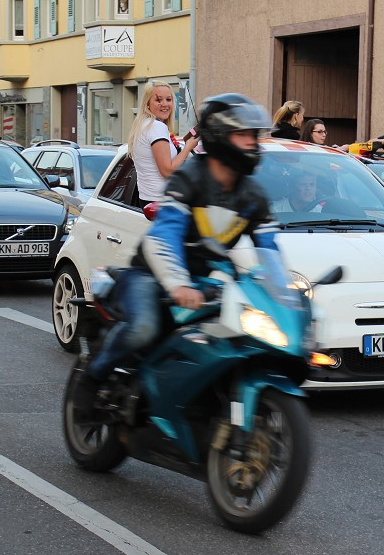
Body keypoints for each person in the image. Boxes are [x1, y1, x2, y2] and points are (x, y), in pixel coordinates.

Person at [76, 93, 279, 412]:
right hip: (152, 275)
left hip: (205, 281)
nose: (252, 143)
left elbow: (270, 250)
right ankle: (93, 378)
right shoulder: (190, 178)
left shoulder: (253, 195)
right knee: (144, 328)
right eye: (244, 134)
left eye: (255, 135)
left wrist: (283, 293)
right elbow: (164, 236)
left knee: (232, 341)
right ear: (220, 136)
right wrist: (178, 284)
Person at [127, 80, 200, 205]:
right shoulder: (156, 127)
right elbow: (167, 171)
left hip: (148, 200)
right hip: (162, 202)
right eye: (158, 100)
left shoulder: (143, 125)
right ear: (147, 103)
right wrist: (188, 147)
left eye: (169, 99)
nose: (165, 104)